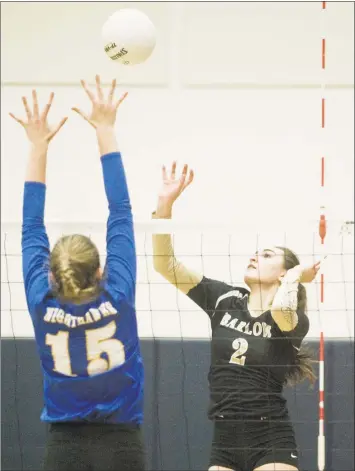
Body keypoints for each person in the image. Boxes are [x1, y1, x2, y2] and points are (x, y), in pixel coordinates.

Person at [10, 76, 145, 471]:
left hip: (64, 446)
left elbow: (30, 225)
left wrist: (37, 147)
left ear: (51, 274)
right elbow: (120, 210)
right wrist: (105, 128)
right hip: (122, 443)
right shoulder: (117, 294)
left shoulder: (42, 300)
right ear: (101, 269)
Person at [152, 162, 322, 471]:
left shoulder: (295, 319)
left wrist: (295, 274)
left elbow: (282, 311)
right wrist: (164, 208)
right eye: (257, 252)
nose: (256, 256)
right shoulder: (224, 299)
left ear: (283, 272)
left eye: (268, 255)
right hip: (225, 438)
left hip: (270, 436)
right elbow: (166, 265)